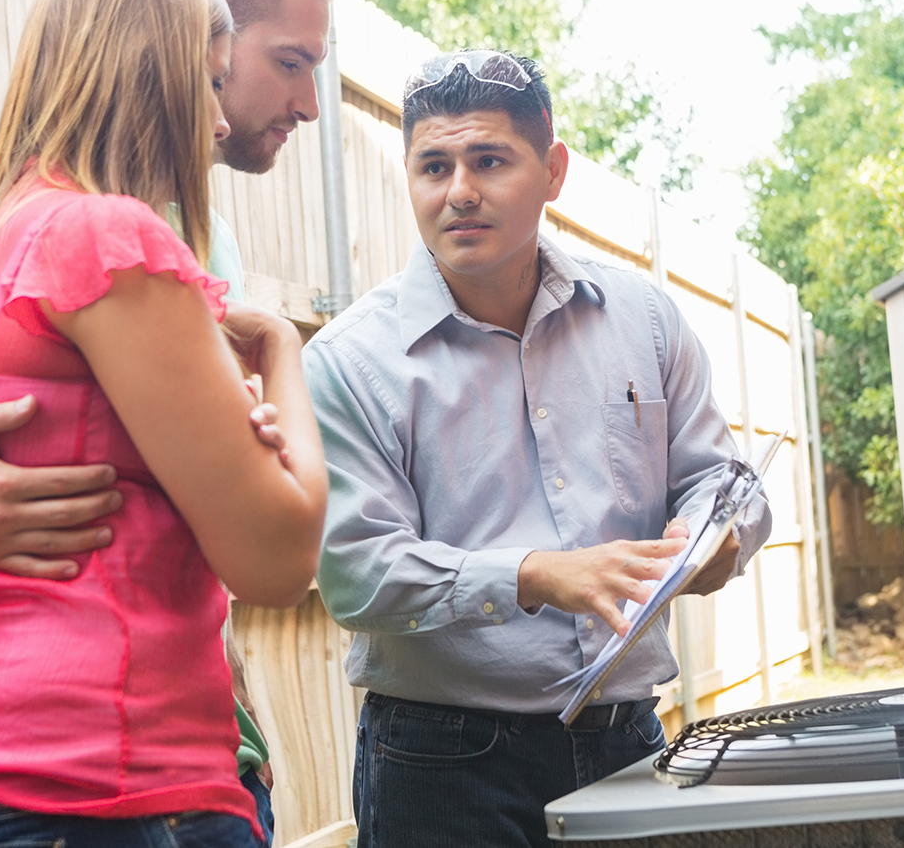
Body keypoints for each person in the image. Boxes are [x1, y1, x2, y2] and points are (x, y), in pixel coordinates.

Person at [0, 0, 332, 841]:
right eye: (270, 67)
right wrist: (281, 358)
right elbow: (277, 556)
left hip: (21, 753)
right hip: (101, 775)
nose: (221, 121)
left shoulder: (34, 224)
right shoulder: (98, 231)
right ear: (165, 57)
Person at [304, 50, 774, 848]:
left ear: (553, 170)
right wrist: (532, 576)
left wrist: (720, 535)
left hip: (628, 739)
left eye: (489, 160)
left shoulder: (645, 319)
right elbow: (356, 574)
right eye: (433, 166)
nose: (459, 191)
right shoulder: (350, 361)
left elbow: (721, 479)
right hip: (439, 763)